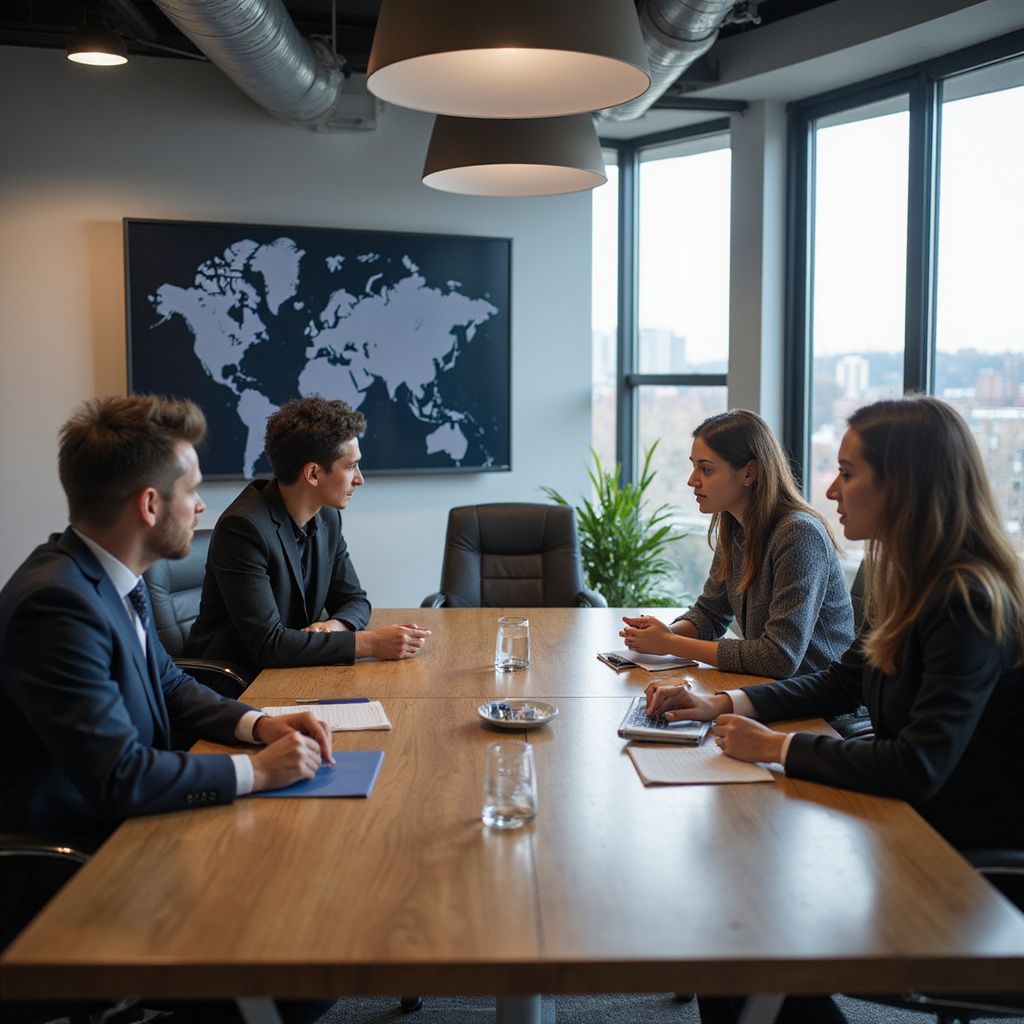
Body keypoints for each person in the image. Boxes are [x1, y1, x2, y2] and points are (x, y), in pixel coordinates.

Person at [647, 395, 1024, 1024]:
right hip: (905, 824)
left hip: (956, 865)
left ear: (902, 486)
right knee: (729, 911)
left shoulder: (966, 600)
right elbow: (838, 683)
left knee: (737, 925)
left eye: (847, 473)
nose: (830, 487)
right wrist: (719, 703)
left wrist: (775, 747)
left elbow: (918, 766)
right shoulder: (909, 578)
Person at [0, 396, 332, 948]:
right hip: (75, 872)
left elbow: (171, 684)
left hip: (133, 826)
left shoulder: (106, 578)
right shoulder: (56, 605)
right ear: (150, 505)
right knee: (298, 955)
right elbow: (119, 776)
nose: (202, 507)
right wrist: (259, 773)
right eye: (193, 491)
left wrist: (260, 724)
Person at [186, 396, 430, 681]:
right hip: (239, 684)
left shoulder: (327, 517)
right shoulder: (243, 529)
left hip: (296, 673)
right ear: (313, 473)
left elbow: (355, 600)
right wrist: (368, 643)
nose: (360, 479)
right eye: (351, 466)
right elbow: (269, 645)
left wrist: (335, 626)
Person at [620, 409, 853, 678]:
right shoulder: (735, 526)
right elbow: (710, 613)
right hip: (769, 689)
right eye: (693, 465)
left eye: (705, 469)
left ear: (748, 473)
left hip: (816, 703)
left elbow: (779, 658)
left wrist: (670, 644)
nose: (692, 480)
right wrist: (660, 636)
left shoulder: (798, 534)